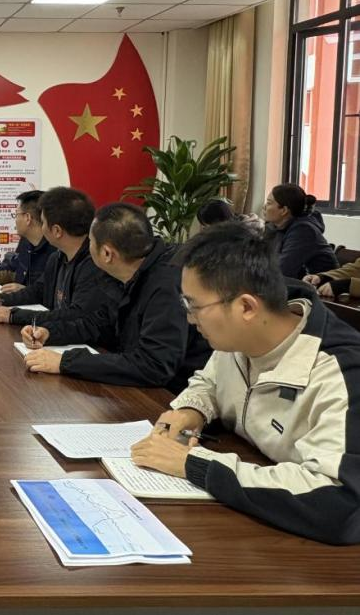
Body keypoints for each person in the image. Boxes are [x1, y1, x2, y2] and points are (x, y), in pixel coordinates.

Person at [130, 222, 360, 545]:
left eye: (194, 306)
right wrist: (191, 410)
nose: (189, 319)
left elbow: (340, 503)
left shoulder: (339, 372)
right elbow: (209, 381)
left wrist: (193, 464)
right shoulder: (239, 339)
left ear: (247, 307)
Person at [19, 203, 211, 392]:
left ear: (107, 253)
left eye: (90, 241)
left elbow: (154, 365)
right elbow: (101, 323)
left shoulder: (167, 283)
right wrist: (51, 333)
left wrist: (64, 362)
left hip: (170, 397)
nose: (87, 247)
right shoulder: (124, 272)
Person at [0, 187, 119, 326]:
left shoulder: (93, 265)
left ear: (57, 231)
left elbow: (75, 315)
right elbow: (39, 290)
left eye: (43, 222)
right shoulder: (57, 257)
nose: (42, 228)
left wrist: (16, 316)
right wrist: (1, 299)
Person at [263, 184, 338, 279]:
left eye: (269, 203)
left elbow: (282, 271)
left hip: (320, 285)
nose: (264, 207)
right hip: (293, 282)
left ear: (284, 210)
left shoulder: (303, 231)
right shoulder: (276, 226)